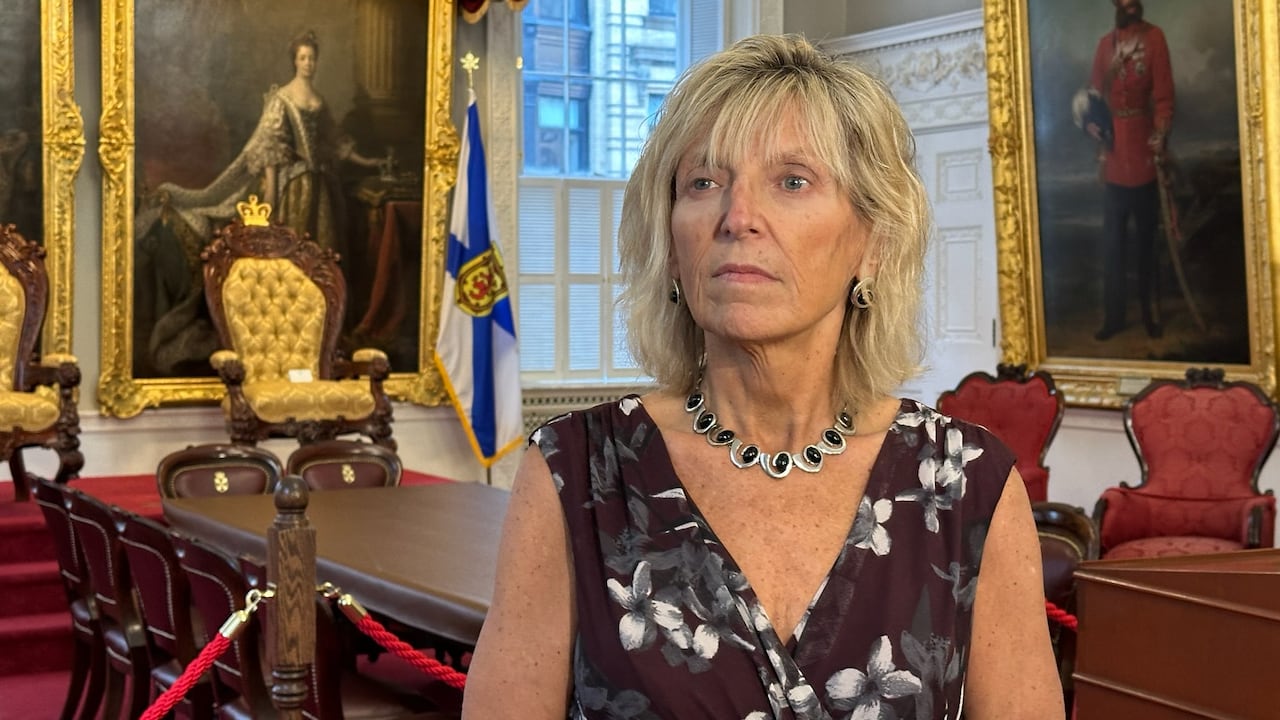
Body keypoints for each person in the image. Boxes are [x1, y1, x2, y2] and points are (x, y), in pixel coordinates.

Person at [463, 34, 1063, 719]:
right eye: (703, 183)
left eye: (792, 181)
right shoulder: (575, 475)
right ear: (671, 240)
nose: (737, 217)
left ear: (872, 243)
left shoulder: (969, 486)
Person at [133, 30, 382, 376]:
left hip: (321, 190)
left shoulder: (319, 100)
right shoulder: (282, 99)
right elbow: (269, 148)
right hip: (293, 188)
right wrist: (270, 194)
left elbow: (335, 142)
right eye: (302, 58)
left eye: (312, 58)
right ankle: (282, 332)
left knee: (323, 256)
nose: (308, 63)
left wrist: (368, 163)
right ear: (294, 60)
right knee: (289, 263)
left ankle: (321, 338)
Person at [1084, 0, 1174, 341]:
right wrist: (1092, 124)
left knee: (1146, 245)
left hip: (1144, 156)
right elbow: (1094, 98)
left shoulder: (1155, 39)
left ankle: (1149, 314)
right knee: (1113, 247)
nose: (1129, 4)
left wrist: (1160, 132)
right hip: (1113, 159)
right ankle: (1115, 317)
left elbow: (1164, 96)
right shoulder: (1104, 46)